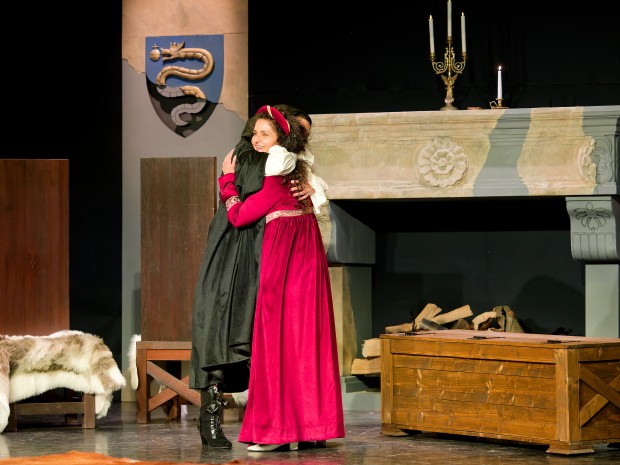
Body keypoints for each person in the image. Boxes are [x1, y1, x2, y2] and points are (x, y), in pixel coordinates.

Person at [189, 105, 327, 449]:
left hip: (267, 251)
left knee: (275, 338)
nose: (301, 139)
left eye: (304, 134)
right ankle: (212, 419)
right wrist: (228, 183)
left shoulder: (290, 165)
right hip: (235, 250)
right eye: (257, 133)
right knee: (221, 330)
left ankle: (296, 424)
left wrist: (310, 187)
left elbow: (285, 194)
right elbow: (243, 209)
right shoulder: (249, 157)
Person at [219, 106, 345, 452]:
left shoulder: (278, 178)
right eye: (255, 134)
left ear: (281, 140)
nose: (256, 140)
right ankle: (311, 426)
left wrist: (226, 181)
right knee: (304, 339)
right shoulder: (296, 177)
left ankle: (275, 430)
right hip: (305, 262)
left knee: (276, 341)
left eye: (265, 134)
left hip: (286, 265)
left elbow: (240, 216)